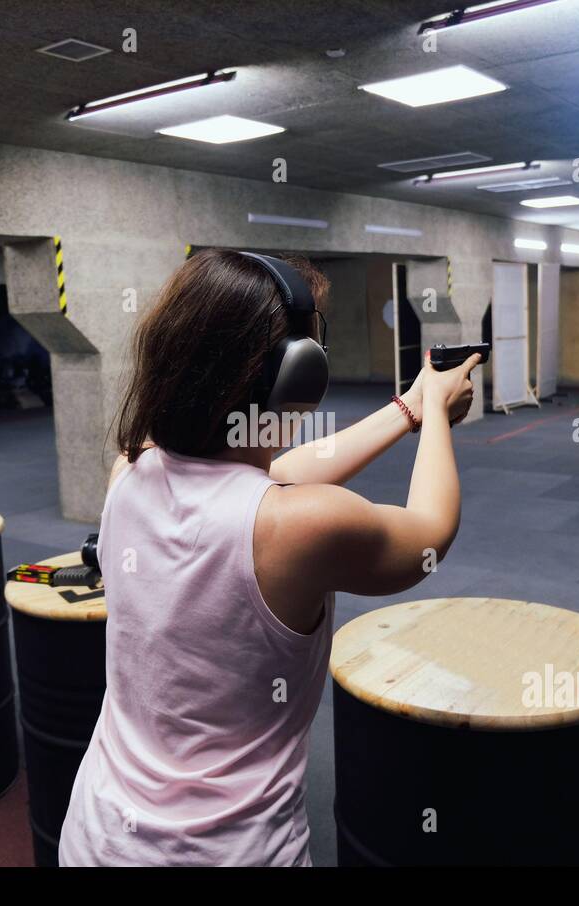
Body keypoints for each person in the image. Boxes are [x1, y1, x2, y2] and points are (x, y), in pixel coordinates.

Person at [58, 249, 480, 866]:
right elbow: (428, 536)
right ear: (298, 375)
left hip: (97, 838)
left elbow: (267, 471)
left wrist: (409, 410)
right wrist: (439, 416)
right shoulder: (300, 524)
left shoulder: (131, 469)